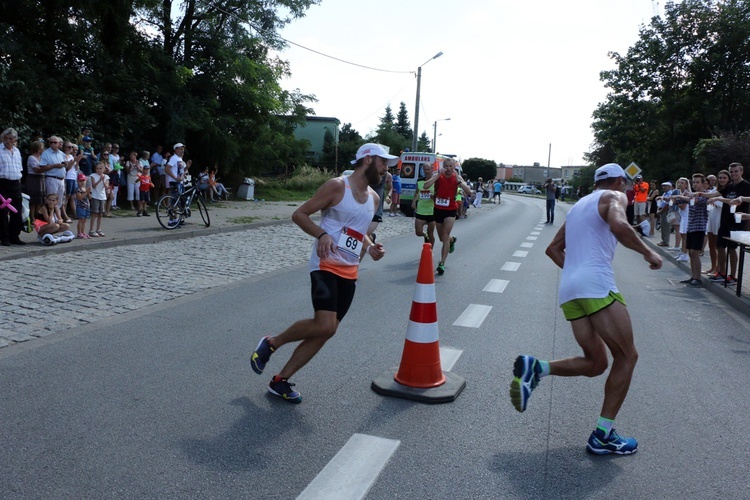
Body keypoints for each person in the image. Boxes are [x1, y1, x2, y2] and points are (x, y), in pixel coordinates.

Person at [510, 163, 662, 456]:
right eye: (625, 184)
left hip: (570, 289)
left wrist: (577, 275)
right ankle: (603, 435)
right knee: (627, 356)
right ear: (619, 181)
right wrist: (648, 252)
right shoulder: (614, 197)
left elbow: (553, 249)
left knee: (596, 363)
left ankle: (537, 368)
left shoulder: (579, 205)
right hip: (595, 284)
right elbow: (619, 225)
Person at [249, 142, 393, 403]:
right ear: (368, 160)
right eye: (383, 162)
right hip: (324, 264)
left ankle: (280, 380)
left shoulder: (374, 197)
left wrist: (371, 248)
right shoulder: (338, 186)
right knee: (325, 324)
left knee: (328, 330)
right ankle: (272, 342)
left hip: (349, 269)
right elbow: (300, 214)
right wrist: (322, 234)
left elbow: (359, 233)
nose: (386, 168)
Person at [422, 158, 473, 275]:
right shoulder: (438, 175)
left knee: (444, 236)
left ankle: (442, 263)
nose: (448, 168)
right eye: (446, 166)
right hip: (438, 209)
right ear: (443, 166)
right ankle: (452, 240)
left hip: (450, 209)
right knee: (442, 237)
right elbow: (425, 186)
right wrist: (437, 176)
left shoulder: (457, 177)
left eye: (451, 166)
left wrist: (460, 183)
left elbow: (469, 191)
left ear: (454, 167)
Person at [703, 163, 750, 284]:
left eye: (736, 171)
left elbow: (734, 201)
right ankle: (721, 273)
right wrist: (699, 194)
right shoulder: (729, 186)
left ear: (741, 172)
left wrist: (718, 199)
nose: (733, 174)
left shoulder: (745, 185)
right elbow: (715, 194)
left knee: (732, 248)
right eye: (732, 172)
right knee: (720, 246)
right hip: (725, 220)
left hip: (737, 221)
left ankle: (733, 276)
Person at [672, 174, 709, 287]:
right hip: (691, 227)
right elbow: (685, 202)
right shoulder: (692, 195)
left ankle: (698, 278)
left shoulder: (704, 195)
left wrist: (681, 197)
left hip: (699, 227)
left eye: (698, 182)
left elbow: (695, 200)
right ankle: (693, 276)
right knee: (690, 253)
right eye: (694, 182)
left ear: (703, 184)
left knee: (695, 252)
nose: (695, 184)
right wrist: (673, 198)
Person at [0, 128, 25, 246]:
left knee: (17, 211)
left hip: (15, 183)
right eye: (6, 138)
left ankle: (14, 236)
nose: (8, 141)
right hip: (2, 183)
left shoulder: (17, 151)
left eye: (10, 139)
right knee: (2, 212)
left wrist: (19, 183)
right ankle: (4, 237)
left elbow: (19, 168)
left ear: (15, 140)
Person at [39, 136, 71, 215]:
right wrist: (54, 165)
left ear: (59, 144)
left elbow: (67, 168)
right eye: (51, 142)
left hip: (61, 179)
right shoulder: (46, 153)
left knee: (59, 201)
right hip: (51, 179)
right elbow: (42, 167)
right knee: (51, 200)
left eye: (55, 142)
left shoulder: (62, 154)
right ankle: (50, 217)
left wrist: (67, 164)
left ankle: (57, 217)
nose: (53, 144)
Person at [704, 171, 728, 276]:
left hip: (720, 218)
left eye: (724, 178)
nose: (722, 180)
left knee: (719, 246)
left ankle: (719, 269)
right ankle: (713, 267)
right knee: (711, 244)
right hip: (712, 217)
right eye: (720, 178)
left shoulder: (728, 190)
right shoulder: (716, 189)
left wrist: (716, 200)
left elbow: (726, 204)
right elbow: (709, 196)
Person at [412, 162, 436, 247]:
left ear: (432, 170)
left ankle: (430, 251)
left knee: (431, 233)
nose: (427, 171)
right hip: (421, 210)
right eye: (425, 170)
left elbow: (438, 196)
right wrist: (414, 201)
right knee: (418, 232)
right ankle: (424, 234)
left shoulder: (435, 181)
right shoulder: (420, 181)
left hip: (431, 210)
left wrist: (432, 196)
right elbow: (417, 192)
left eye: (429, 169)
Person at [25, 140, 46, 223]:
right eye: (42, 148)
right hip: (33, 179)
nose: (43, 150)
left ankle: (38, 216)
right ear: (38, 149)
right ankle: (32, 217)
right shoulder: (31, 158)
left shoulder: (41, 158)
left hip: (41, 179)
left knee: (40, 200)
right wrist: (49, 167)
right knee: (33, 200)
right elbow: (36, 169)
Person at [88, 161, 108, 237]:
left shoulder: (106, 177)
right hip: (95, 196)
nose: (99, 170)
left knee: (100, 214)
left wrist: (103, 180)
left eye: (100, 169)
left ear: (103, 169)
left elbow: (106, 187)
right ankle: (91, 230)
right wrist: (99, 180)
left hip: (102, 197)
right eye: (97, 169)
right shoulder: (93, 176)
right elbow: (94, 186)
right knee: (94, 213)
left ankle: (98, 229)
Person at [656, 181, 673, 247]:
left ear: (669, 187)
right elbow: (661, 202)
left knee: (666, 226)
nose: (664, 187)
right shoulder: (664, 194)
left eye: (665, 186)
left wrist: (661, 211)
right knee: (663, 225)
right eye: (663, 186)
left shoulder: (670, 194)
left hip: (666, 211)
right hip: (662, 210)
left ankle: (666, 241)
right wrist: (658, 209)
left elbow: (667, 205)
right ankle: (663, 240)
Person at [75, 173, 91, 238]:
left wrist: (88, 193)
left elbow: (90, 197)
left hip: (86, 206)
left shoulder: (85, 188)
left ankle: (83, 232)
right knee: (81, 220)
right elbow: (80, 197)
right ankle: (79, 233)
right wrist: (86, 192)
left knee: (84, 220)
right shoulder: (78, 189)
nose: (82, 182)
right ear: (78, 181)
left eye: (83, 180)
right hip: (80, 206)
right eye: (80, 181)